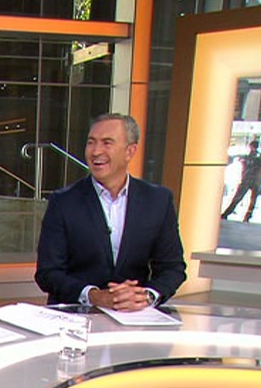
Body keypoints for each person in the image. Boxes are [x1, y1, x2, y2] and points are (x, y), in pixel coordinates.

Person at [35, 113, 186, 311]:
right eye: (91, 142)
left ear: (130, 151)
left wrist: (145, 296)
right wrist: (94, 296)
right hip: (76, 315)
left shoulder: (158, 200)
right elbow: (48, 273)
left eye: (107, 143)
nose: (96, 151)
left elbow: (173, 268)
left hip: (134, 316)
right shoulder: (63, 202)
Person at [221, 140, 261, 222]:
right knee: (251, 200)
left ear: (251, 147)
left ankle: (228, 213)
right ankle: (247, 215)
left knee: (238, 198)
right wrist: (260, 178)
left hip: (247, 180)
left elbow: (244, 164)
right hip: (255, 180)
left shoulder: (248, 157)